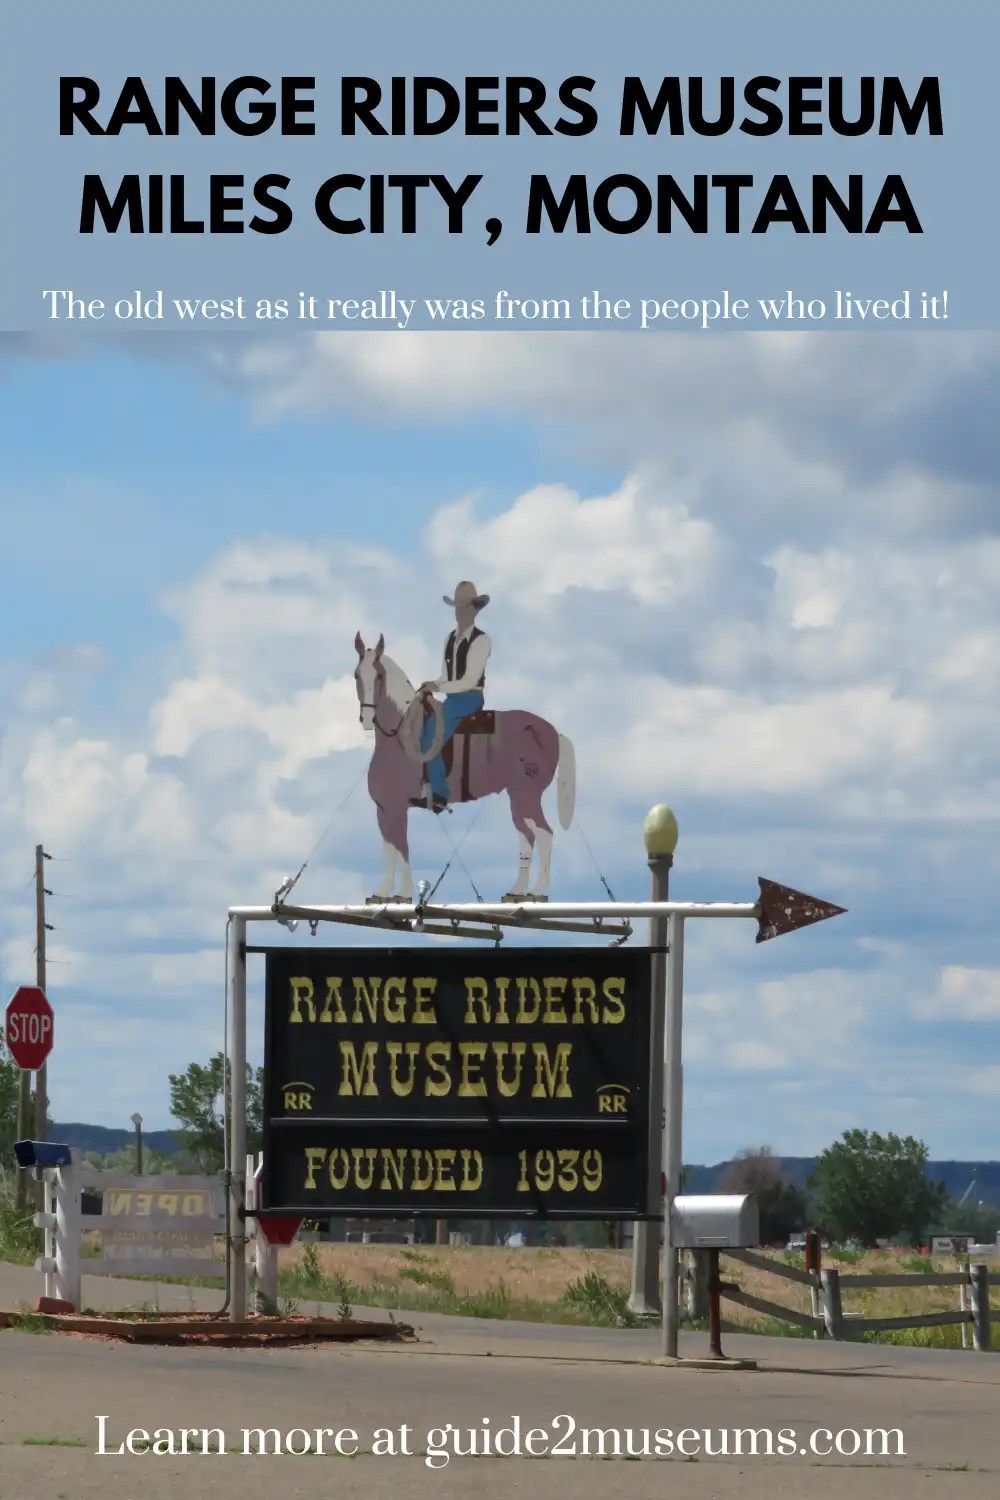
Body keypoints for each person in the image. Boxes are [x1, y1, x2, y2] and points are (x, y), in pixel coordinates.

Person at [412, 581, 492, 812]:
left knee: (432, 735)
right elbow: (445, 676)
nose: (460, 612)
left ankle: (440, 795)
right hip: (452, 697)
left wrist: (439, 688)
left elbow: (469, 681)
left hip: (469, 698)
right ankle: (424, 785)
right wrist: (433, 684)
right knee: (419, 722)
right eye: (457, 607)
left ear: (475, 610)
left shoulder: (481, 641)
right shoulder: (449, 639)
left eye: (465, 607)